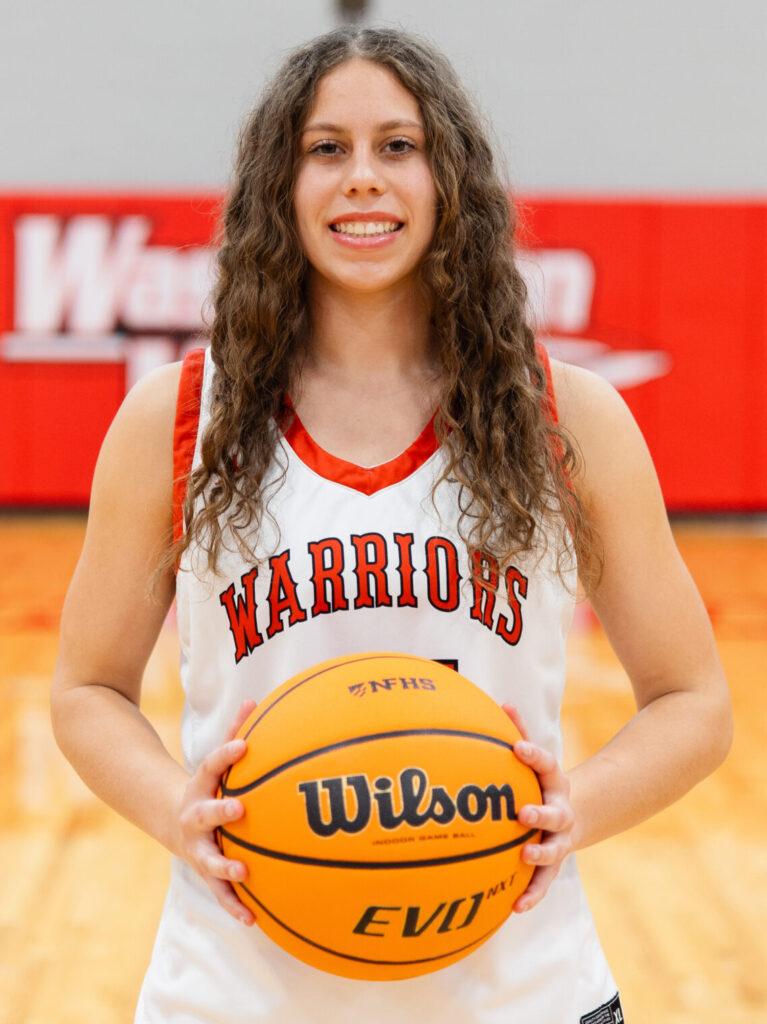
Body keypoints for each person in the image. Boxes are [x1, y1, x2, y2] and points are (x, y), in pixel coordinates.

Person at [50, 25, 732, 1024]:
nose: (362, 177)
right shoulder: (180, 416)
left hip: (520, 995)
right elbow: (85, 689)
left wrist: (572, 807)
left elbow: (693, 701)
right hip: (237, 996)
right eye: (326, 148)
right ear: (279, 187)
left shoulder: (565, 415)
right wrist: (173, 807)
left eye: (397, 146)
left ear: (448, 179)